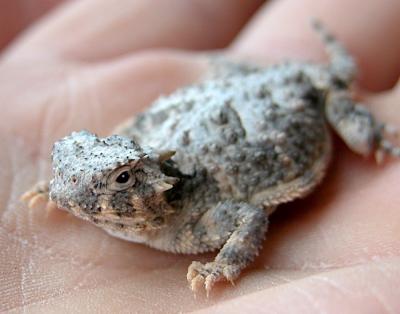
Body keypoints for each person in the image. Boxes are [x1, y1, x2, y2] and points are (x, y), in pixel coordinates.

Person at [1, 0, 399, 312]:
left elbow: (247, 217)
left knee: (364, 140)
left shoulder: (191, 221)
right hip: (227, 95)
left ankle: (364, 119)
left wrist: (225, 264)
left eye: (122, 179)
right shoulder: (104, 178)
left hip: (287, 102)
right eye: (65, 171)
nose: (66, 191)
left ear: (143, 180)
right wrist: (72, 184)